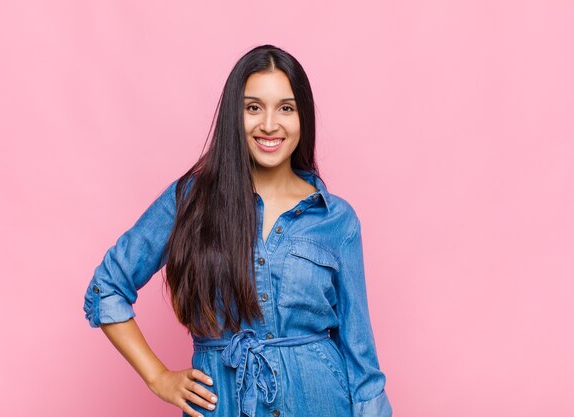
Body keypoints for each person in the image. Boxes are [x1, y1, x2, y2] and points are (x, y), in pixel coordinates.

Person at [82, 44, 392, 417]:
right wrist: (158, 377)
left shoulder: (337, 219)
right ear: (236, 114)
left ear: (302, 117)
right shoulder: (191, 199)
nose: (269, 124)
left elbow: (361, 357)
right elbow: (108, 287)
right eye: (253, 107)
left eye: (286, 108)